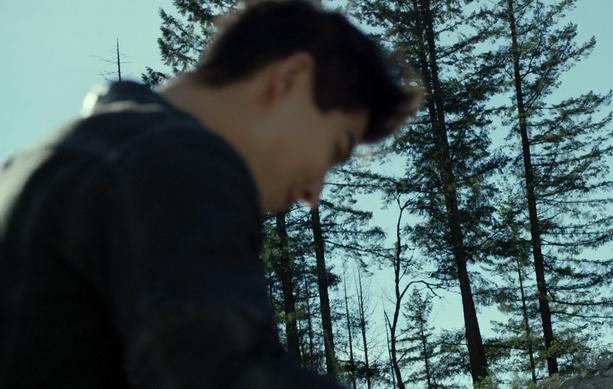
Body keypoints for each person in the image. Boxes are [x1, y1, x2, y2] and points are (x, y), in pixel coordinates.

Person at [0, 1, 420, 387]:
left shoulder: (41, 162)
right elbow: (224, 375)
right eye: (336, 148)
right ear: (290, 78)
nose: (314, 192)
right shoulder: (176, 159)